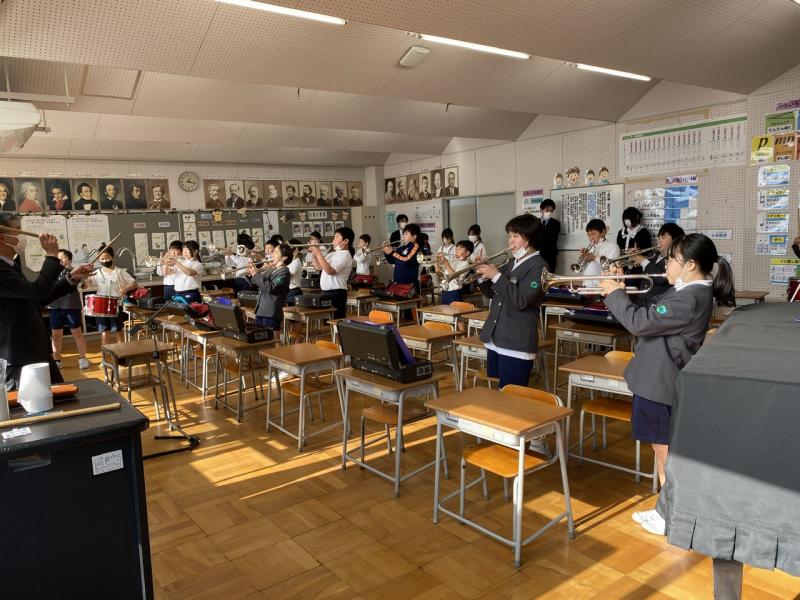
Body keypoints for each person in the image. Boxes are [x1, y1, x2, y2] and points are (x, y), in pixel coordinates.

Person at [598, 233, 735, 536]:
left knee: (665, 451)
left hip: (660, 381)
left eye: (672, 259)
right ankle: (667, 507)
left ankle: (672, 514)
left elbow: (641, 324)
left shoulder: (690, 296)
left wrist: (615, 295)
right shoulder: (688, 290)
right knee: (662, 448)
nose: (666, 264)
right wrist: (622, 288)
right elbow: (652, 313)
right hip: (656, 377)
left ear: (690, 265)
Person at [0, 214, 93, 389]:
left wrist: (71, 278)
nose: (22, 235)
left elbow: (36, 298)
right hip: (17, 357)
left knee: (61, 398)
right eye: (17, 230)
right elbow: (38, 291)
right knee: (30, 404)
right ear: (2, 237)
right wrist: (51, 255)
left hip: (34, 350)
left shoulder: (10, 265)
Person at [476, 214, 545, 388]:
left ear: (529, 238)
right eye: (509, 236)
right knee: (499, 394)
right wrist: (482, 275)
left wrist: (496, 276)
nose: (510, 241)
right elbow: (492, 294)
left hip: (516, 342)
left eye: (516, 236)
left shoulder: (539, 266)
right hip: (496, 338)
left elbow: (521, 301)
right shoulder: (511, 262)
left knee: (512, 397)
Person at [84, 246, 137, 346]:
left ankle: (121, 352)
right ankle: (105, 353)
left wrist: (125, 289)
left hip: (116, 304)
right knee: (104, 331)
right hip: (101, 306)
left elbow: (134, 283)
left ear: (112, 257)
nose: (105, 260)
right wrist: (87, 278)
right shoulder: (96, 273)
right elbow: (86, 286)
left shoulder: (120, 272)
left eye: (107, 258)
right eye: (102, 259)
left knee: (118, 330)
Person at [48, 249, 90, 370]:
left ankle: (82, 358)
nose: (60, 260)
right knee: (56, 335)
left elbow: (82, 284)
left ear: (69, 260)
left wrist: (86, 281)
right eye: (58, 258)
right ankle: (57, 360)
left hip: (71, 305)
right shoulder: (51, 271)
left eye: (63, 258)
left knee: (77, 332)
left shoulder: (74, 271)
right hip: (54, 306)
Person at [628, 223, 684, 300]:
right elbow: (642, 271)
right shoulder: (654, 255)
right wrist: (635, 257)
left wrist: (642, 260)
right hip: (642, 299)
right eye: (659, 238)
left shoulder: (676, 260)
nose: (659, 241)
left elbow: (663, 279)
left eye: (663, 238)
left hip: (658, 302)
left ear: (674, 240)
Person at [309, 227, 353, 319]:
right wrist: (313, 254)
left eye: (337, 237)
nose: (334, 240)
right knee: (327, 322)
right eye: (334, 237)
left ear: (345, 241)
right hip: (325, 292)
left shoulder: (345, 255)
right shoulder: (332, 254)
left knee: (336, 321)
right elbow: (319, 267)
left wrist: (318, 253)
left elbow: (330, 271)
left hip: (337, 293)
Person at [248, 244, 291, 330]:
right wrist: (255, 272)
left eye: (276, 252)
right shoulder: (272, 270)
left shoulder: (284, 272)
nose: (272, 255)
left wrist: (255, 274)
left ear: (284, 257)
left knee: (271, 336)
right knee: (261, 335)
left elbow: (271, 288)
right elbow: (261, 282)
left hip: (271, 311)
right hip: (262, 309)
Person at [383, 223, 421, 295]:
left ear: (414, 236)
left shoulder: (415, 247)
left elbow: (406, 261)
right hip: (398, 284)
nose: (403, 236)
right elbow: (392, 261)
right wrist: (386, 252)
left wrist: (392, 252)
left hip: (409, 286)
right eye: (403, 234)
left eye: (406, 234)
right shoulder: (401, 248)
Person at [581, 219, 619, 284]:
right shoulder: (590, 248)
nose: (591, 238)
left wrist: (594, 258)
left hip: (603, 285)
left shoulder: (613, 246)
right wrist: (583, 259)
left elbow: (613, 267)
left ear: (603, 232)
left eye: (593, 234)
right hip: (586, 284)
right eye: (589, 235)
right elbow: (583, 269)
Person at [437, 239, 473, 304]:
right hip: (445, 292)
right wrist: (437, 260)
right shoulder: (452, 261)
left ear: (467, 253)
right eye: (456, 248)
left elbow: (454, 275)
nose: (456, 251)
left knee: (454, 310)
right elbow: (438, 271)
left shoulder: (466, 264)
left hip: (454, 294)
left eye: (460, 249)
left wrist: (446, 262)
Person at [538, 199, 560, 272]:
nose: (549, 213)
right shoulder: (535, 222)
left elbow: (552, 240)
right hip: (537, 254)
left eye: (551, 211)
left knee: (550, 274)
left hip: (550, 255)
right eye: (547, 210)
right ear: (541, 210)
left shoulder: (556, 223)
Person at [286, 239, 304, 306]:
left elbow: (288, 275)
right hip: (289, 290)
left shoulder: (296, 262)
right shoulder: (290, 261)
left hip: (294, 290)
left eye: (288, 247)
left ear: (296, 250)